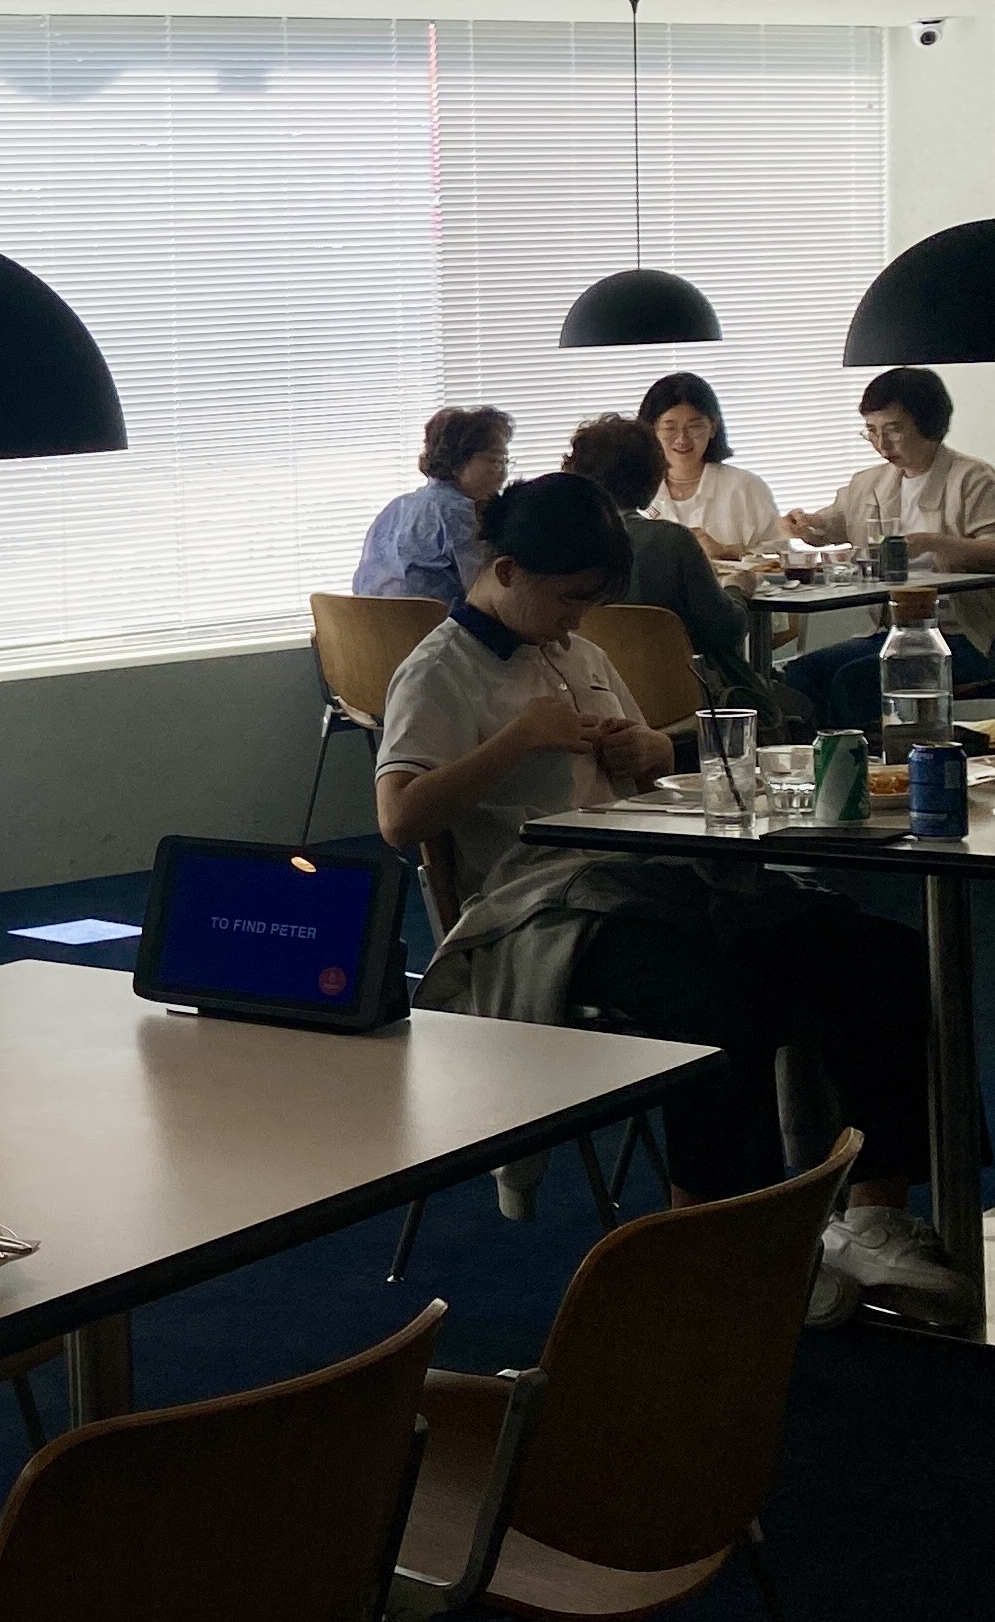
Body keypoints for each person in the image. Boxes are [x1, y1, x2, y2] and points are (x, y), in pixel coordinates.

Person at [376, 471, 952, 1313]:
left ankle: (873, 1214)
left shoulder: (577, 652)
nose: (579, 618)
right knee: (716, 1003)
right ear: (506, 572)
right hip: (541, 909)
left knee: (876, 954)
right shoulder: (439, 670)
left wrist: (649, 753)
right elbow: (398, 819)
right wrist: (516, 741)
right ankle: (722, 1243)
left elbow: (646, 775)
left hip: (649, 876)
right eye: (570, 598)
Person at [783, 366, 995, 729]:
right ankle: (811, 759)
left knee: (855, 680)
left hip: (971, 637)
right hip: (896, 631)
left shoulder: (973, 478)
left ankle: (859, 760)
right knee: (803, 672)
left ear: (928, 424)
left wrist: (931, 543)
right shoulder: (870, 482)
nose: (882, 445)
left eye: (893, 430)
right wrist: (804, 524)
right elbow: (830, 526)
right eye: (871, 431)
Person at [562, 413, 786, 722]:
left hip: (592, 704)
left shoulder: (559, 542)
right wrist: (736, 589)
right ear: (651, 480)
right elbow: (724, 631)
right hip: (684, 705)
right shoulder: (672, 541)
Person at [354, 405, 511, 605]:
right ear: (457, 462)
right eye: (495, 461)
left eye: (506, 462)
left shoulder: (397, 507)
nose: (504, 473)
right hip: (434, 624)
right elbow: (487, 592)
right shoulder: (458, 511)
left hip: (371, 623)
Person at [633, 371, 779, 560]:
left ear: (713, 427)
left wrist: (727, 552)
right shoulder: (634, 489)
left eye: (694, 427)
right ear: (651, 430)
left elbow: (780, 558)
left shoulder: (746, 486)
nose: (682, 439)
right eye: (670, 428)